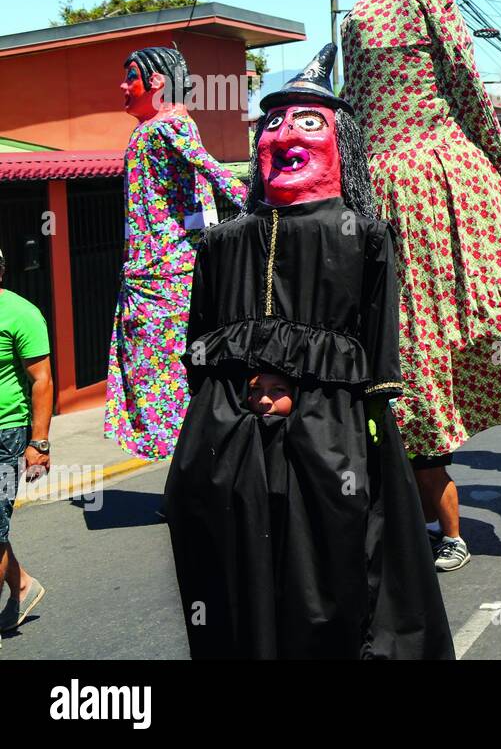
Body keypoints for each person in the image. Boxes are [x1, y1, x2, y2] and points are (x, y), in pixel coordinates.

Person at [164, 46, 453, 659]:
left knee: (329, 574)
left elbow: (379, 348)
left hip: (328, 434)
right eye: (272, 123)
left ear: (340, 146)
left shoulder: (366, 236)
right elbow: (198, 346)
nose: (285, 133)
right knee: (231, 573)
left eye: (307, 123)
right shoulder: (220, 243)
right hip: (227, 435)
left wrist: (368, 429)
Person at [344, 0, 501, 571]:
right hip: (376, 182)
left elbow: (463, 81)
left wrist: (490, 172)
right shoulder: (359, 12)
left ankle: (437, 462)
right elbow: (352, 109)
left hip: (429, 177)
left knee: (430, 316)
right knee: (388, 318)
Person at [106, 47, 247, 459]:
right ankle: (191, 473)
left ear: (156, 83)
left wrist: (256, 203)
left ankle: (197, 470)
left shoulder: (168, 125)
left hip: (162, 277)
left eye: (130, 76)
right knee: (161, 374)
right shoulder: (152, 127)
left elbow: (209, 169)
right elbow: (196, 195)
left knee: (164, 374)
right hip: (157, 271)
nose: (122, 86)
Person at [0, 248, 51, 645]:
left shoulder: (22, 313)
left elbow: (42, 380)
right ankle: (22, 586)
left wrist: (39, 442)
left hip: (7, 434)